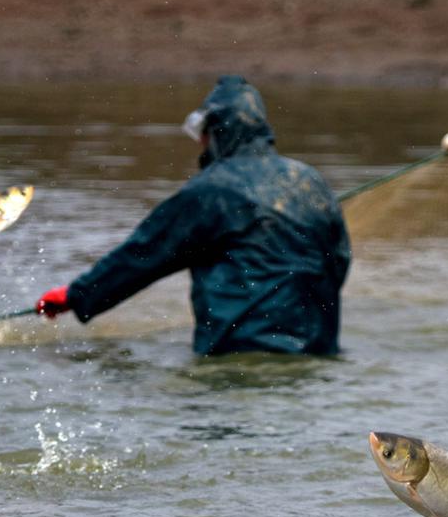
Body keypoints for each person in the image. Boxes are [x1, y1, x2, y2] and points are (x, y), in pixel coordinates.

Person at [35, 76, 350, 355]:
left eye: (203, 134)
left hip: (240, 351)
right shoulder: (310, 180)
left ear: (216, 132)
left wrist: (76, 295)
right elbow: (339, 258)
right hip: (318, 349)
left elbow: (143, 254)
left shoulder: (211, 191)